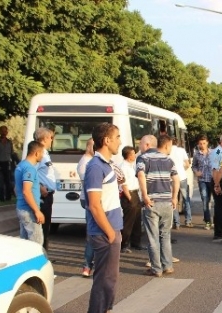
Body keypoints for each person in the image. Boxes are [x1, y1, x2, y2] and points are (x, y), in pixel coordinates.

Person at [84, 122, 123, 313]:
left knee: (110, 280)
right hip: (104, 232)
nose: (120, 142)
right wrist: (110, 233)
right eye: (117, 137)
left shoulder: (106, 164)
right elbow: (93, 204)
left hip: (111, 229)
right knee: (104, 281)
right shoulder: (95, 166)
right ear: (106, 141)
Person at [137, 135, 179, 277]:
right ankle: (168, 266)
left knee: (152, 237)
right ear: (166, 146)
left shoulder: (143, 158)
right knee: (165, 235)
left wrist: (145, 195)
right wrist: (174, 197)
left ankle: (156, 268)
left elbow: (141, 175)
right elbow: (176, 179)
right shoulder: (169, 160)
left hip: (152, 202)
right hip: (167, 202)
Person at [15, 141, 45, 245]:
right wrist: (37, 211)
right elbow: (26, 192)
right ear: (36, 153)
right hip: (29, 210)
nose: (43, 156)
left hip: (21, 208)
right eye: (42, 153)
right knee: (36, 244)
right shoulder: (29, 168)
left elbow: (16, 189)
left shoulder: (20, 165)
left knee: (25, 243)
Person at [119, 146, 144, 254]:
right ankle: (123, 244)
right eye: (133, 154)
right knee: (128, 221)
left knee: (137, 219)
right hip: (128, 194)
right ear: (129, 155)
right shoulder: (123, 167)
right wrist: (129, 198)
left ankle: (136, 242)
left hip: (135, 193)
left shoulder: (131, 165)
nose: (135, 155)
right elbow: (124, 184)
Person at [35, 127, 56, 250]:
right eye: (50, 138)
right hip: (42, 195)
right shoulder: (39, 154)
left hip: (48, 195)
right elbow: (30, 173)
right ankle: (41, 255)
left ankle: (44, 254)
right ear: (44, 139)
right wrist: (39, 186)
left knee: (46, 228)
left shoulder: (45, 153)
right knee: (42, 229)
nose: (52, 140)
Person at [77, 138, 95, 278]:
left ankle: (90, 264)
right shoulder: (85, 163)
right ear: (89, 147)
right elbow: (89, 184)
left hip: (93, 200)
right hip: (90, 200)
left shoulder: (93, 161)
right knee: (92, 234)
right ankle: (87, 265)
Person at [168, 137, 192, 229]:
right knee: (186, 199)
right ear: (177, 143)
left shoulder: (167, 152)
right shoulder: (181, 150)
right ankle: (188, 221)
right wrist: (182, 170)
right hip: (182, 177)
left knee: (174, 200)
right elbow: (187, 164)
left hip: (171, 179)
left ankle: (176, 222)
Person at [0, 125, 19, 201]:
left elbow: (12, 153)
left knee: (8, 181)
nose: (3, 133)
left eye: (5, 131)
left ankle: (8, 197)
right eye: (2, 131)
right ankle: (1, 198)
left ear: (7, 132)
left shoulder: (9, 142)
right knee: (0, 182)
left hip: (7, 164)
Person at [192, 135, 213, 230]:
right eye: (200, 143)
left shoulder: (213, 152)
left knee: (216, 201)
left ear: (207, 143)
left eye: (204, 143)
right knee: (205, 200)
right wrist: (196, 172)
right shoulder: (196, 154)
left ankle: (217, 220)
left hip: (213, 180)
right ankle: (208, 221)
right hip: (202, 180)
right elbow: (193, 166)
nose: (202, 145)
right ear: (198, 144)